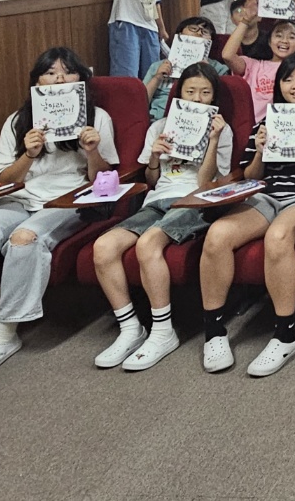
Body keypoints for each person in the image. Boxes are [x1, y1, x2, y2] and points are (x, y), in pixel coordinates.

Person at [0, 48, 119, 387]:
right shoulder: (17, 121)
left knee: (24, 239)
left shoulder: (97, 118)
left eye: (67, 72)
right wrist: (29, 154)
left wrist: (92, 151)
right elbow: (4, 180)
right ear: (37, 82)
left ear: (81, 78)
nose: (59, 78)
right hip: (17, 198)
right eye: (50, 73)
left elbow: (104, 180)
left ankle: (5, 333)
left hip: (65, 203)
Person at [198, 54, 295, 376]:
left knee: (278, 236)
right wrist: (259, 152)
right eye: (288, 79)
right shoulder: (266, 122)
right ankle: (213, 331)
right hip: (266, 195)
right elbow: (250, 176)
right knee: (217, 236)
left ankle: (285, 334)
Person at [91, 62, 233, 371]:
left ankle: (162, 330)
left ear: (214, 97)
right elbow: (152, 180)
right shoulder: (159, 127)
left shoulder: (222, 129)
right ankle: (130, 327)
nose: (197, 98)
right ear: (179, 93)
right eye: (190, 91)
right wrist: (154, 156)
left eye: (205, 93)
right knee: (103, 247)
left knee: (148, 244)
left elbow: (205, 184)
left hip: (193, 202)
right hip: (156, 201)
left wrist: (212, 140)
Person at [222, 0, 295, 120]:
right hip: (259, 128)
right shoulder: (254, 66)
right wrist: (245, 20)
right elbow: (227, 55)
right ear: (269, 41)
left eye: (291, 37)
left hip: (292, 124)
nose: (284, 41)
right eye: (279, 35)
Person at [142, 17, 229, 120]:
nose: (199, 33)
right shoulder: (158, 66)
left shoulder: (219, 69)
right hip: (159, 120)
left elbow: (222, 105)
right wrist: (157, 78)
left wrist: (208, 73)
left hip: (198, 121)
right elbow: (140, 103)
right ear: (180, 35)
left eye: (205, 32)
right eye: (193, 29)